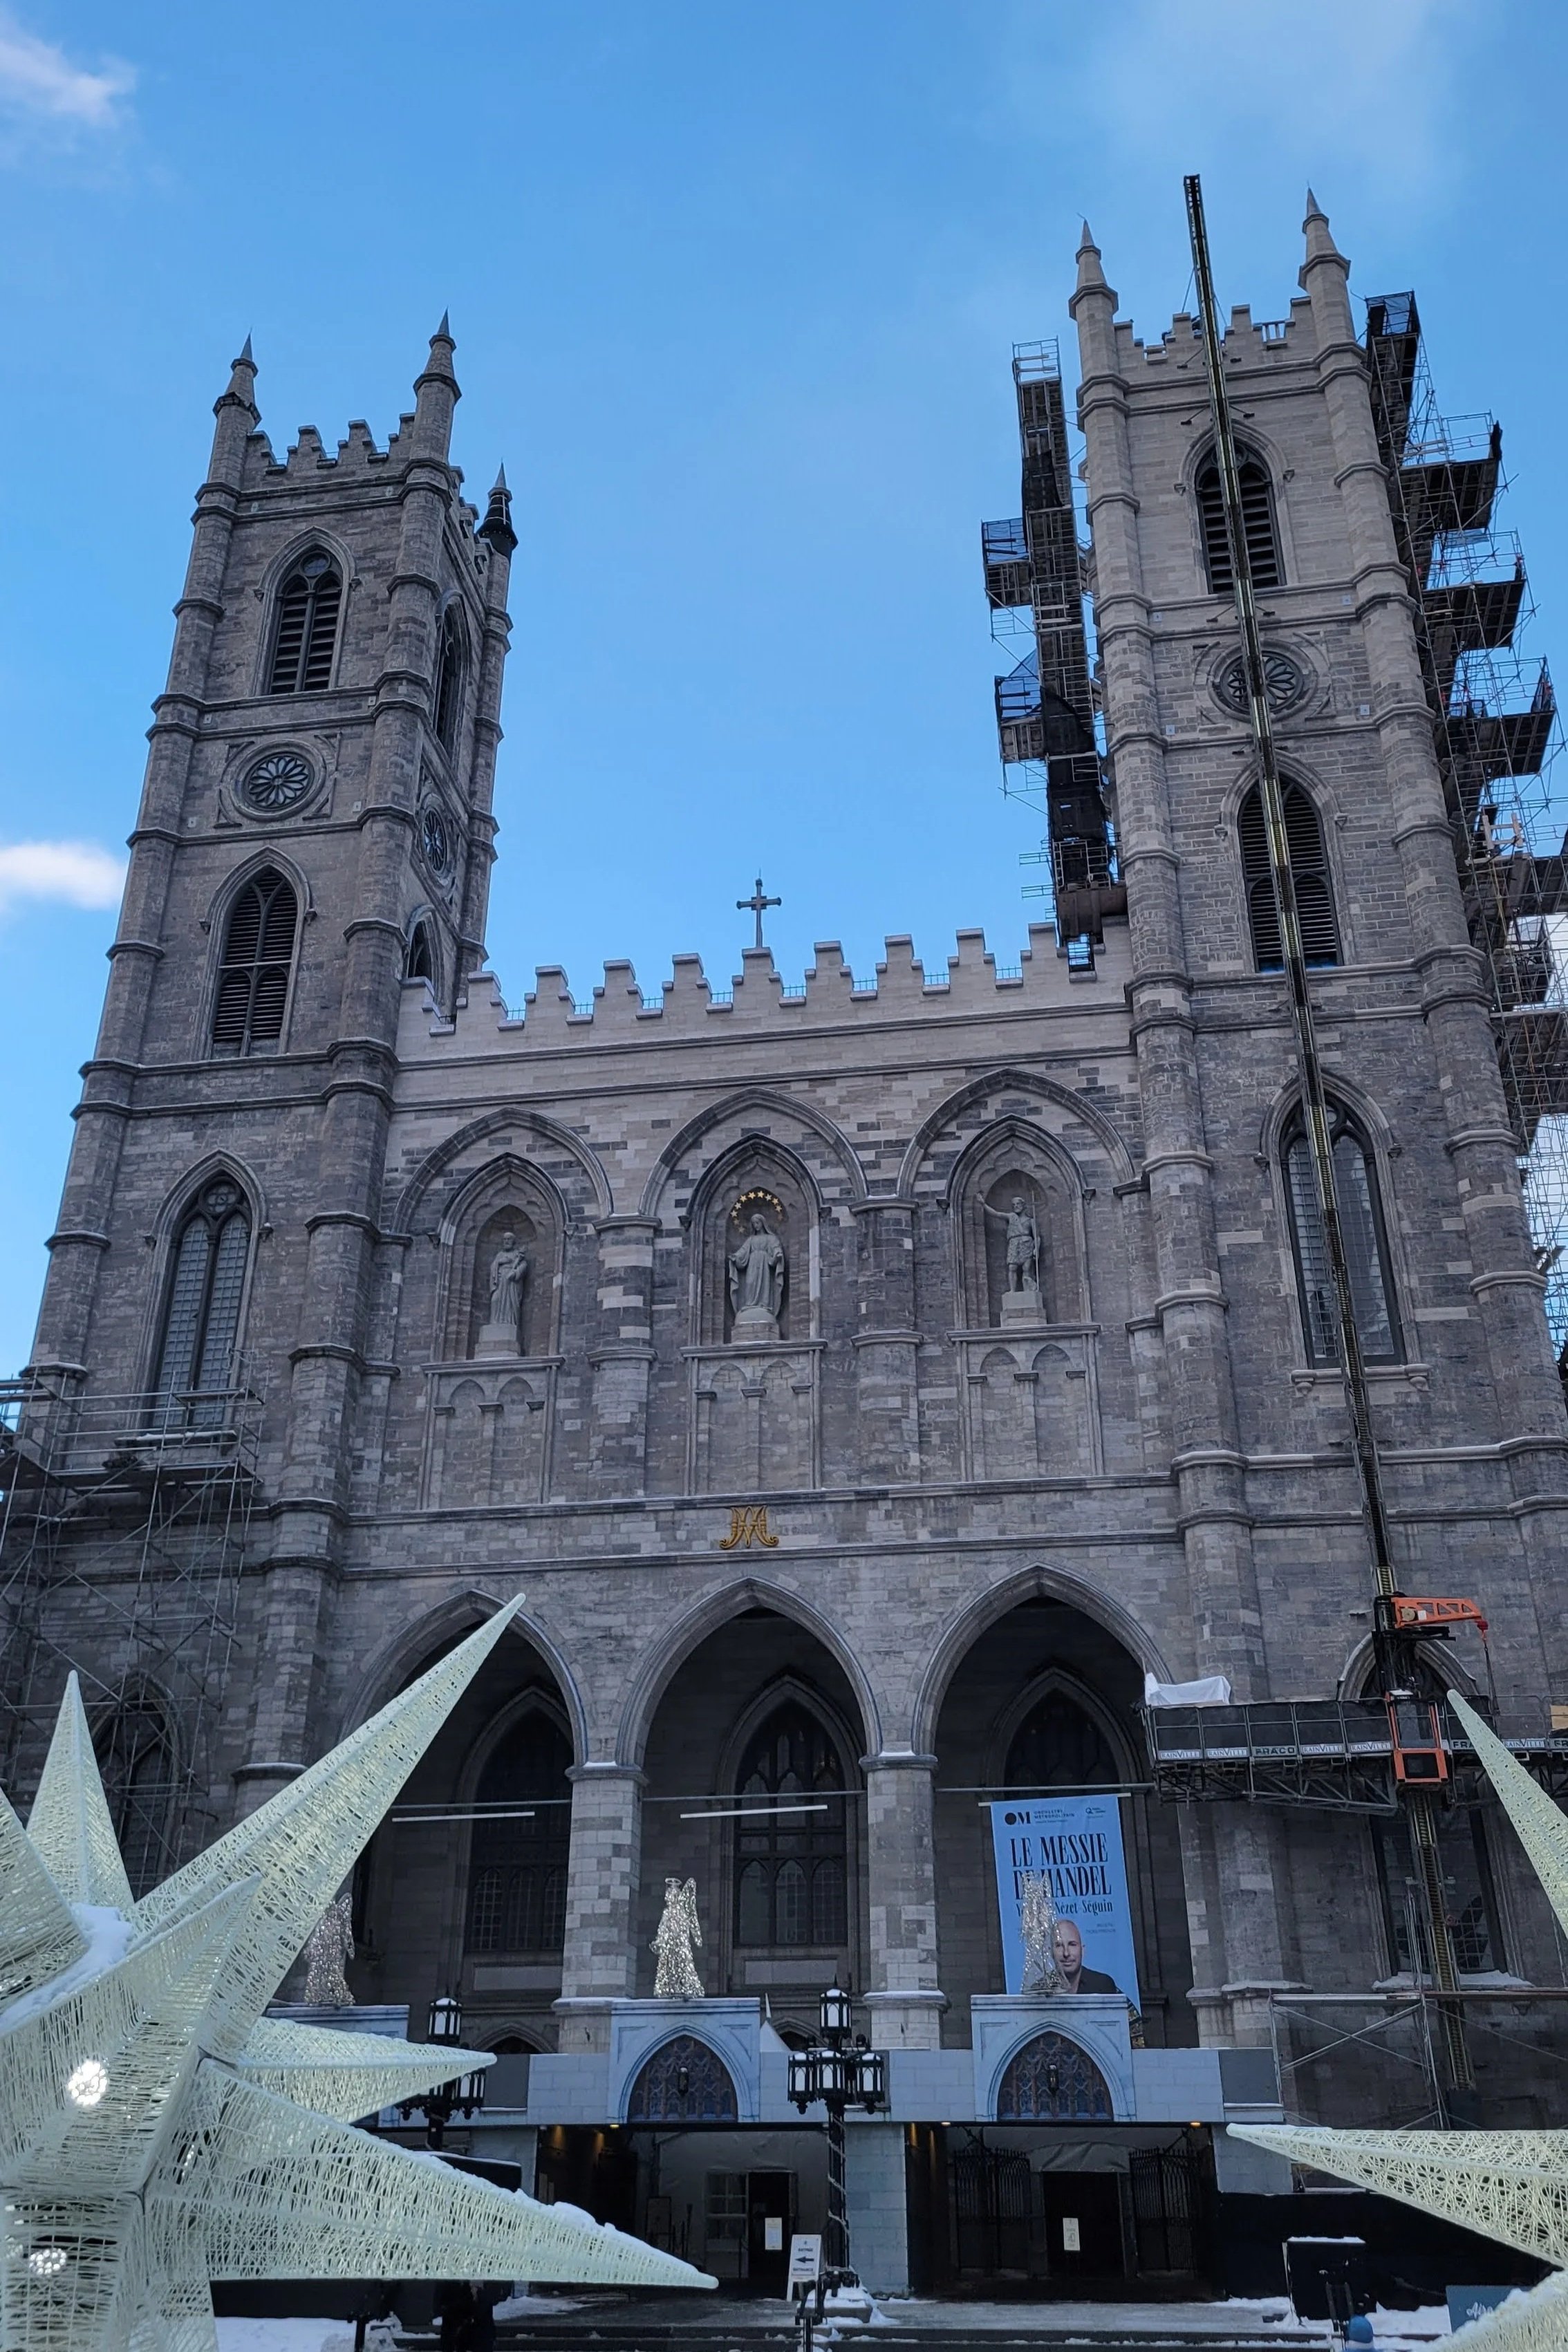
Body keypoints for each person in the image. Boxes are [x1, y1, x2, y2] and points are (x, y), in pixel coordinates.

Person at [1051, 1916, 1122, 1997]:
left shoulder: (1103, 1986)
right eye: (1059, 1946)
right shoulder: (1040, 1990)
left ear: (1082, 1950)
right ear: (1051, 1952)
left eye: (1072, 1945)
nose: (1066, 1953)